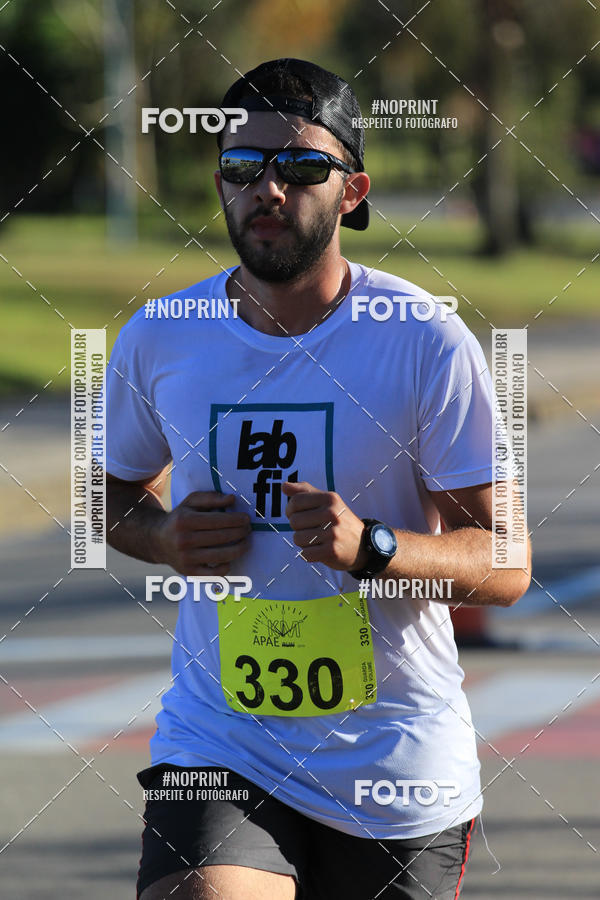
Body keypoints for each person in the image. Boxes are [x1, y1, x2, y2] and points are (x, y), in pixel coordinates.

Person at [105, 58, 531, 900]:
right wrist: (162, 536)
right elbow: (103, 496)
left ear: (352, 189)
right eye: (242, 168)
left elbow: (508, 561)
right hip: (222, 738)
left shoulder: (423, 339)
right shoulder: (162, 336)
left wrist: (375, 547)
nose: (268, 188)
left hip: (393, 763)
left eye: (300, 167)